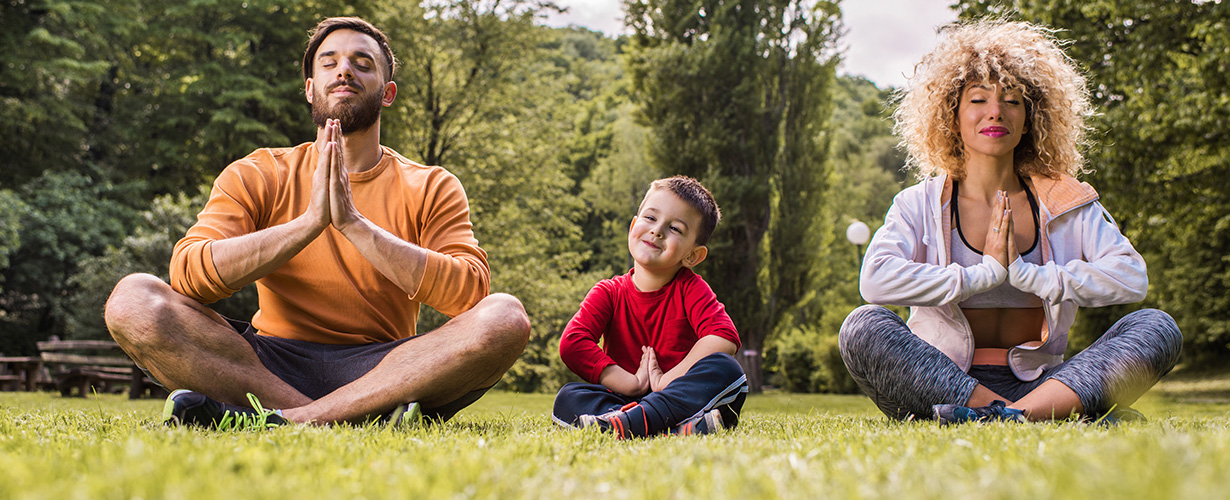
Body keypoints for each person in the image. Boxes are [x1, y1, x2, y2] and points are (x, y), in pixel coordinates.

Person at [103, 17, 530, 427]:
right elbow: (189, 276)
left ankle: (291, 420)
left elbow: (469, 294)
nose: (344, 71)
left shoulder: (432, 185)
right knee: (133, 300)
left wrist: (354, 224)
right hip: (267, 366)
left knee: (504, 317)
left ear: (387, 93)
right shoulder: (258, 173)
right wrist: (308, 223)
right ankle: (347, 416)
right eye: (329, 62)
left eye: (362, 64)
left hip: (387, 367)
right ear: (310, 89)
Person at [839, 20, 1182, 424]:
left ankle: (1002, 416)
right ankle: (1037, 417)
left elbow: (1131, 277)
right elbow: (875, 281)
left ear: (1029, 119)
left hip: (1044, 383)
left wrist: (1029, 275)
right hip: (943, 381)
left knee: (1156, 327)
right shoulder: (919, 203)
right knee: (863, 326)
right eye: (978, 99)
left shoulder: (1064, 202)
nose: (996, 112)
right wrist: (979, 276)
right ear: (952, 116)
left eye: (1013, 101)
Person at [553, 176, 747, 438]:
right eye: (650, 218)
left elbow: (723, 337)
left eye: (675, 228)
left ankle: (631, 425)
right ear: (633, 226)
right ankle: (669, 429)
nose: (657, 231)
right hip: (622, 401)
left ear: (692, 255)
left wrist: (668, 380)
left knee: (727, 370)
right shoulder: (608, 292)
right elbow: (573, 342)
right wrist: (630, 383)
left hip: (677, 399)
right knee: (569, 396)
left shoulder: (690, 288)